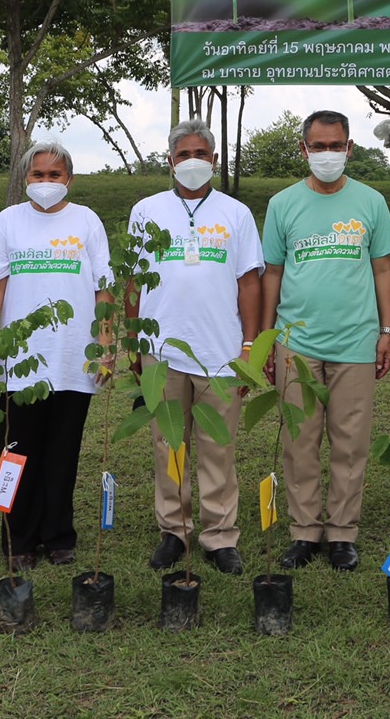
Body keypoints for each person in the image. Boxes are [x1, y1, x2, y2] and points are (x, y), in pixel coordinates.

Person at [261, 110, 390, 572]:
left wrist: (386, 331)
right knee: (300, 440)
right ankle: (304, 531)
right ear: (303, 150)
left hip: (356, 341)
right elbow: (272, 273)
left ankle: (342, 533)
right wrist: (267, 340)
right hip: (296, 343)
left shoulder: (371, 202)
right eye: (318, 147)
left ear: (349, 148)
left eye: (335, 146)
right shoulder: (282, 204)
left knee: (350, 442)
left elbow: (383, 268)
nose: (327, 154)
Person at [127, 119, 263, 575]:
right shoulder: (146, 211)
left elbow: (249, 283)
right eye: (183, 154)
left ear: (215, 160)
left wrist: (249, 347)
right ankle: (174, 529)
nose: (192, 162)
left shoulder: (236, 214)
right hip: (161, 352)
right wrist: (135, 343)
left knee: (218, 445)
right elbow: (133, 281)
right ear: (170, 162)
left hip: (220, 352)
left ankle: (220, 534)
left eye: (200, 154)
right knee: (170, 444)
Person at [0, 140, 111, 571]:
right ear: (25, 178)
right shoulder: (8, 221)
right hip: (18, 362)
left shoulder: (87, 221)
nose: (46, 181)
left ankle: (58, 537)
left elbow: (103, 288)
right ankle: (17, 538)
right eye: (38, 174)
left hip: (73, 357)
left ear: (69, 178)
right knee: (17, 451)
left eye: (55, 174)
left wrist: (106, 346)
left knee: (63, 452)